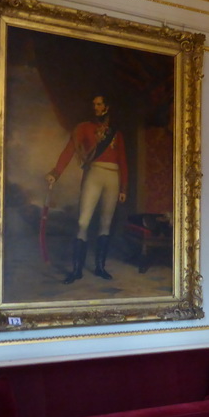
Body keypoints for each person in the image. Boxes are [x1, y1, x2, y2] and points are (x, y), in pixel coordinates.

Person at [46, 95, 127, 283]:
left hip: (113, 177)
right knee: (83, 222)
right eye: (93, 104)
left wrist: (124, 187)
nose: (95, 107)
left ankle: (100, 267)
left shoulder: (117, 133)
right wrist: (56, 173)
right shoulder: (84, 128)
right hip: (94, 174)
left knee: (105, 223)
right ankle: (76, 270)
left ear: (106, 107)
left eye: (99, 104)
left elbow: (123, 161)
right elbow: (69, 150)